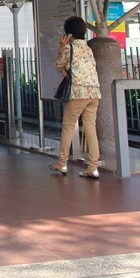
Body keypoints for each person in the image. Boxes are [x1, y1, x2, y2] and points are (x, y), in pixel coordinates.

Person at [49, 16, 102, 179]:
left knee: (68, 127)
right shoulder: (88, 49)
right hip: (94, 92)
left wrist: (62, 46)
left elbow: (59, 64)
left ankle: (62, 163)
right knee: (90, 129)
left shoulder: (68, 48)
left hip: (78, 92)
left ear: (68, 33)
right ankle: (93, 167)